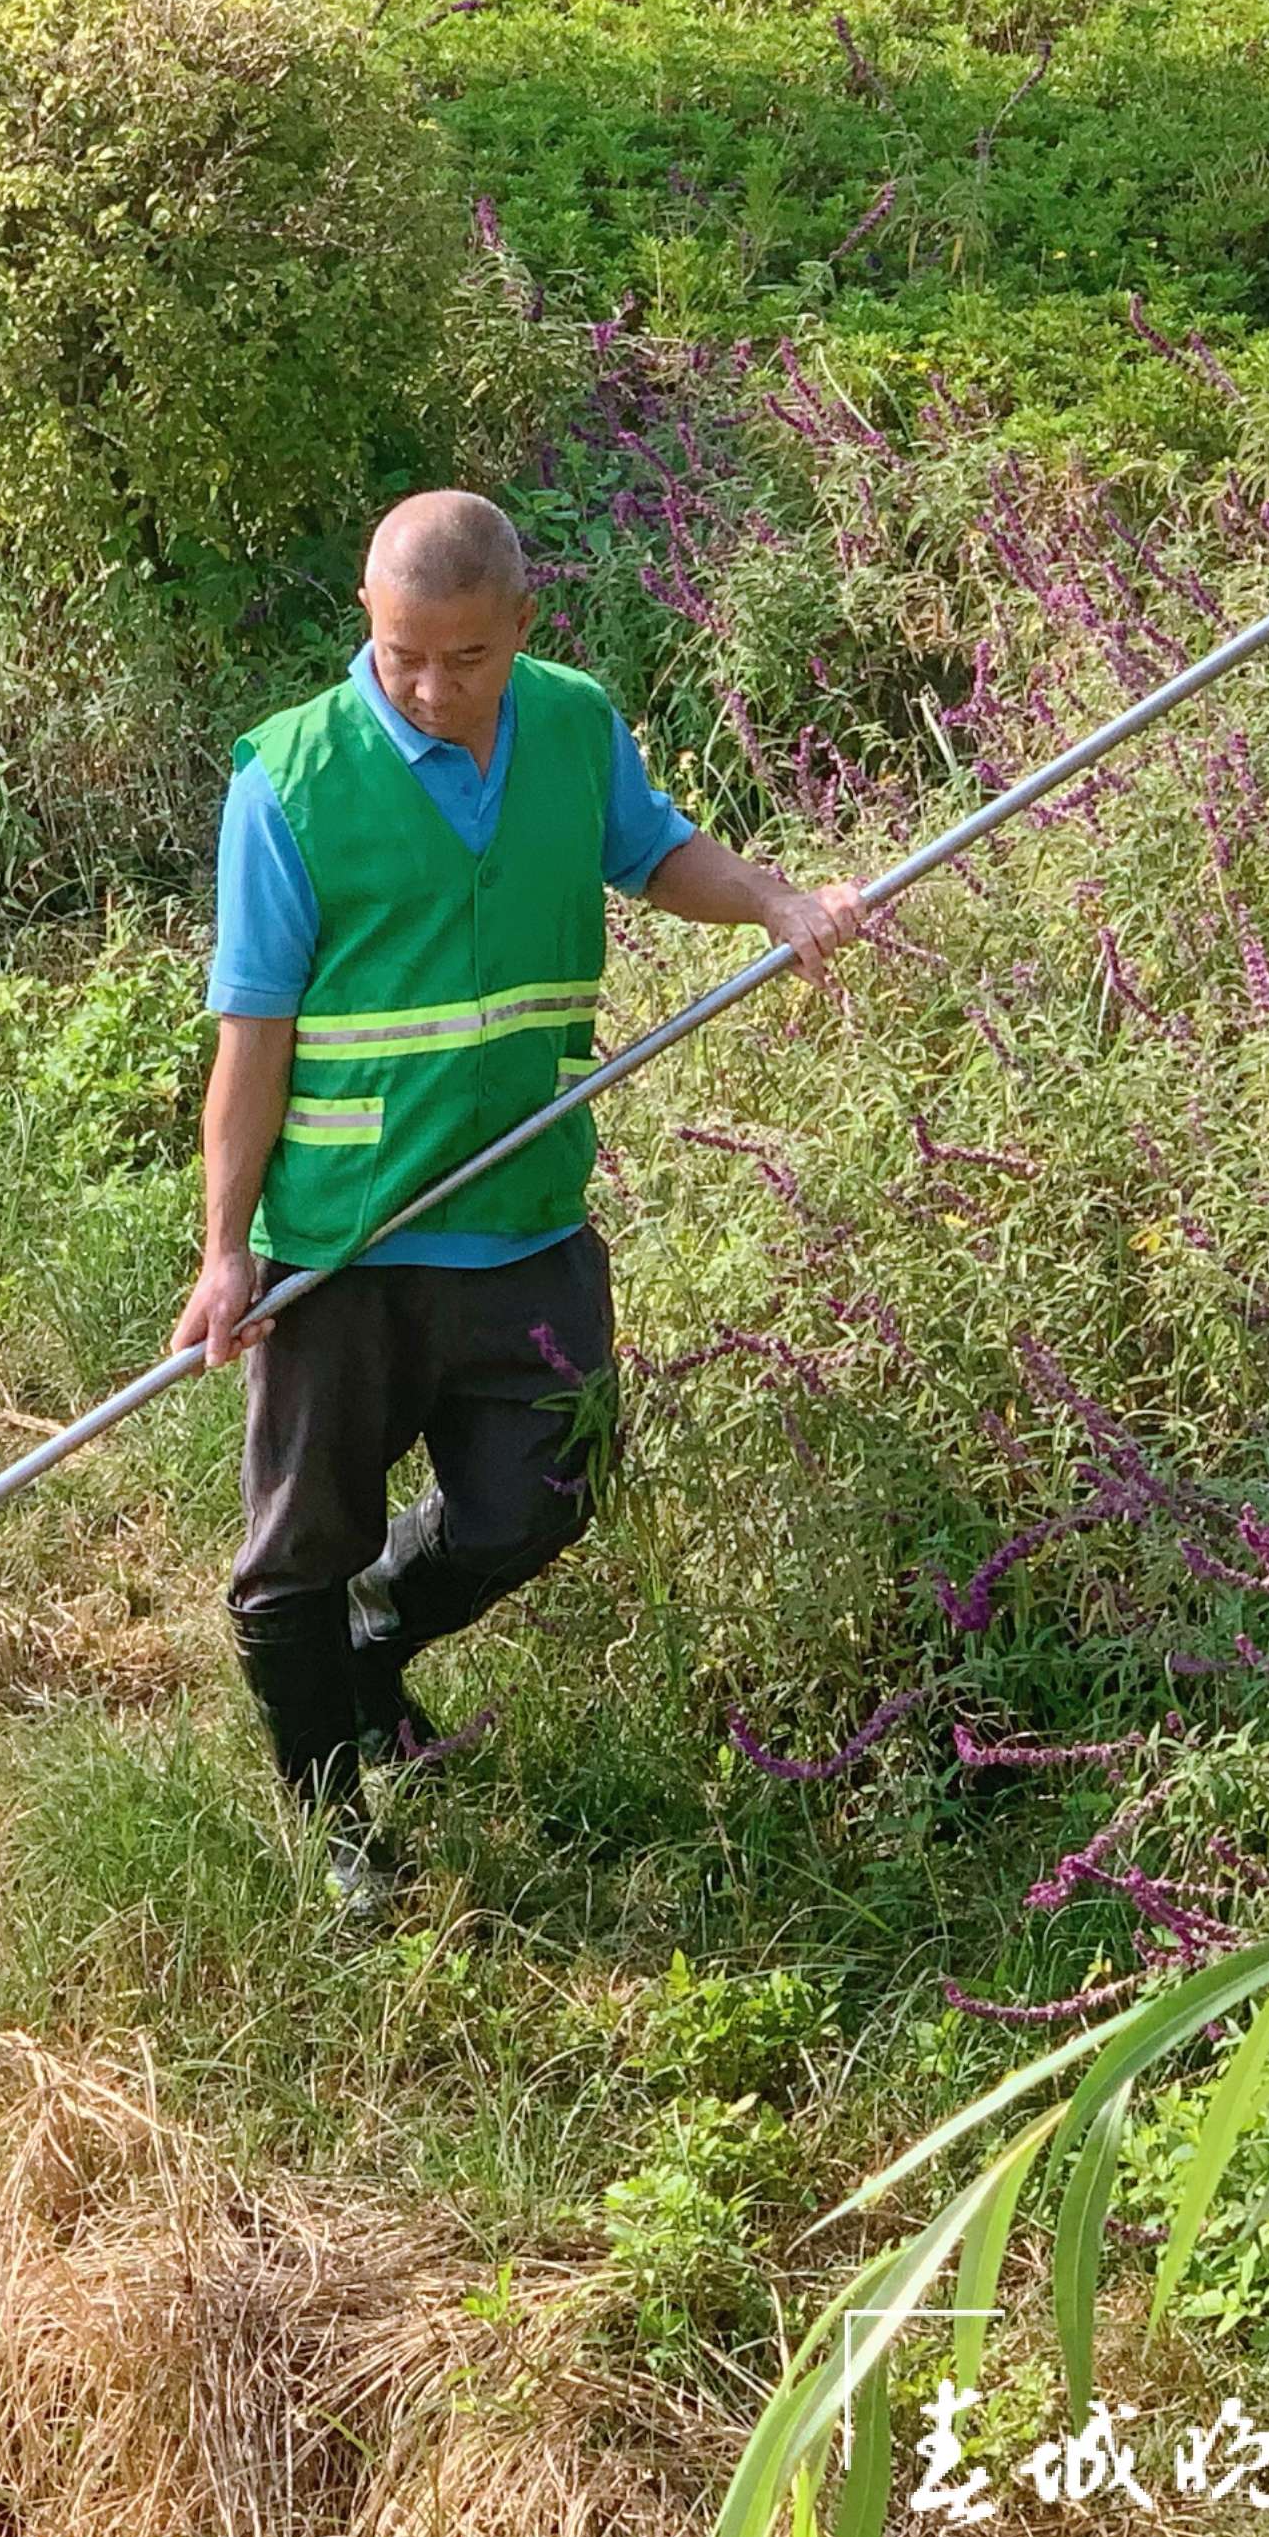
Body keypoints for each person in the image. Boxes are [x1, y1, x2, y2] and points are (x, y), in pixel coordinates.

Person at [170, 488, 864, 1908]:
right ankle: (336, 1827)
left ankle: (381, 1632)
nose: (429, 688)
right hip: (344, 1241)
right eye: (402, 653)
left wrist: (777, 903)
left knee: (546, 1496)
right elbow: (252, 1037)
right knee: (298, 1550)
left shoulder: (570, 724)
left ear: (521, 628)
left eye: (464, 658)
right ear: (368, 616)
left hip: (527, 1209)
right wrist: (225, 1249)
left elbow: (656, 851)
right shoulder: (288, 780)